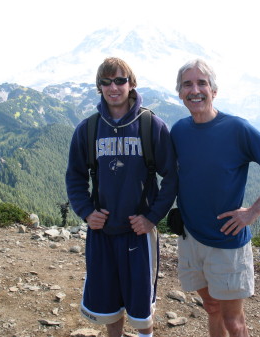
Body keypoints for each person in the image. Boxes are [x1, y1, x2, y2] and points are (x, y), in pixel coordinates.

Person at [170, 59, 260, 337]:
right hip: (190, 238)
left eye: (202, 83)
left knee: (234, 322)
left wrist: (252, 212)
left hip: (227, 242)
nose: (195, 90)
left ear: (214, 90)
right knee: (212, 308)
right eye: (187, 84)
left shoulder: (237, 128)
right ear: (180, 93)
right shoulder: (179, 130)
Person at [66, 57, 177, 337]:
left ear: (131, 83)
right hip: (102, 231)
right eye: (106, 82)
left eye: (119, 80)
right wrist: (86, 211)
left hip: (138, 233)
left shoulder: (152, 125)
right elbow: (75, 176)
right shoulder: (88, 129)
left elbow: (172, 177)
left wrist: (152, 218)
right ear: (99, 86)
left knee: (141, 308)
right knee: (108, 306)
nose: (113, 87)